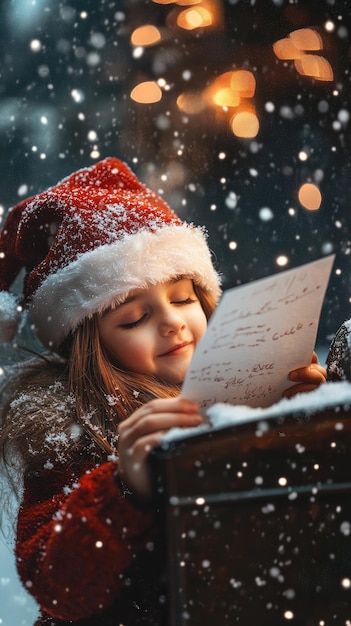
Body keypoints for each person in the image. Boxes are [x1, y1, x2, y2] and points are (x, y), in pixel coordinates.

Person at [0, 157, 326, 626]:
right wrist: (122, 487)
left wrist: (305, 424)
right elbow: (57, 586)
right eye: (134, 318)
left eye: (183, 298)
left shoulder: (253, 387)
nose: (172, 322)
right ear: (92, 345)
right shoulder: (71, 434)